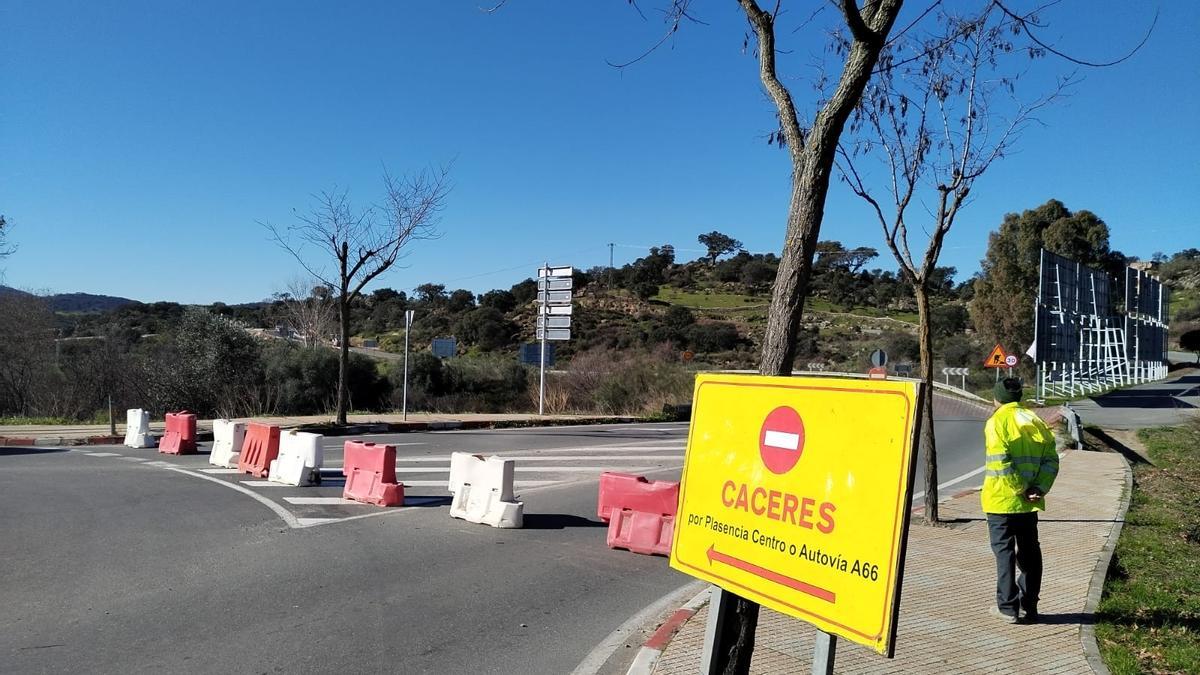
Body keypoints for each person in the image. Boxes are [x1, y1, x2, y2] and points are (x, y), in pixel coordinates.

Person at [982, 377, 1059, 624]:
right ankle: (1029, 606)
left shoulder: (997, 422)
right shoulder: (1035, 420)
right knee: (1030, 554)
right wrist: (1039, 488)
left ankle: (1007, 607)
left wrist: (1021, 489)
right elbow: (1051, 460)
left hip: (1001, 501)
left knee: (1004, 554)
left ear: (997, 399)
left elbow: (1001, 462)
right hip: (1028, 504)